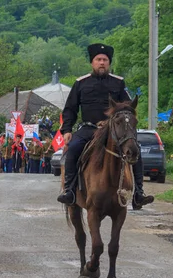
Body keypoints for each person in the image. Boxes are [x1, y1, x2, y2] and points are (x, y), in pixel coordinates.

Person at [56, 43, 154, 210]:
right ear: (92, 62)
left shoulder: (118, 83)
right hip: (88, 129)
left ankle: (139, 193)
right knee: (73, 149)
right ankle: (70, 191)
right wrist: (66, 130)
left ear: (109, 63)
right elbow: (70, 109)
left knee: (134, 149)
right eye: (98, 60)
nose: (102, 63)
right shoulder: (81, 83)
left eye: (105, 60)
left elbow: (127, 107)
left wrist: (116, 122)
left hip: (113, 131)